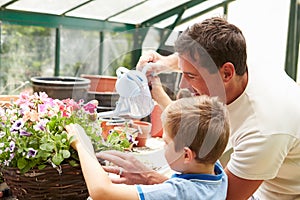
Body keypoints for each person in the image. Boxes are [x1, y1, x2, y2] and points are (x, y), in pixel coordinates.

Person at [98, 17, 300, 200]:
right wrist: (163, 64)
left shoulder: (264, 129)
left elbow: (217, 197)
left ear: (227, 73)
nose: (182, 86)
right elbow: (197, 58)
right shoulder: (236, 56)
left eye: (191, 76)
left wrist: (149, 179)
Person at [66, 95, 230, 200]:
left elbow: (101, 192)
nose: (163, 146)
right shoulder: (217, 173)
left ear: (187, 155)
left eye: (166, 143)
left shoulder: (178, 193)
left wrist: (81, 144)